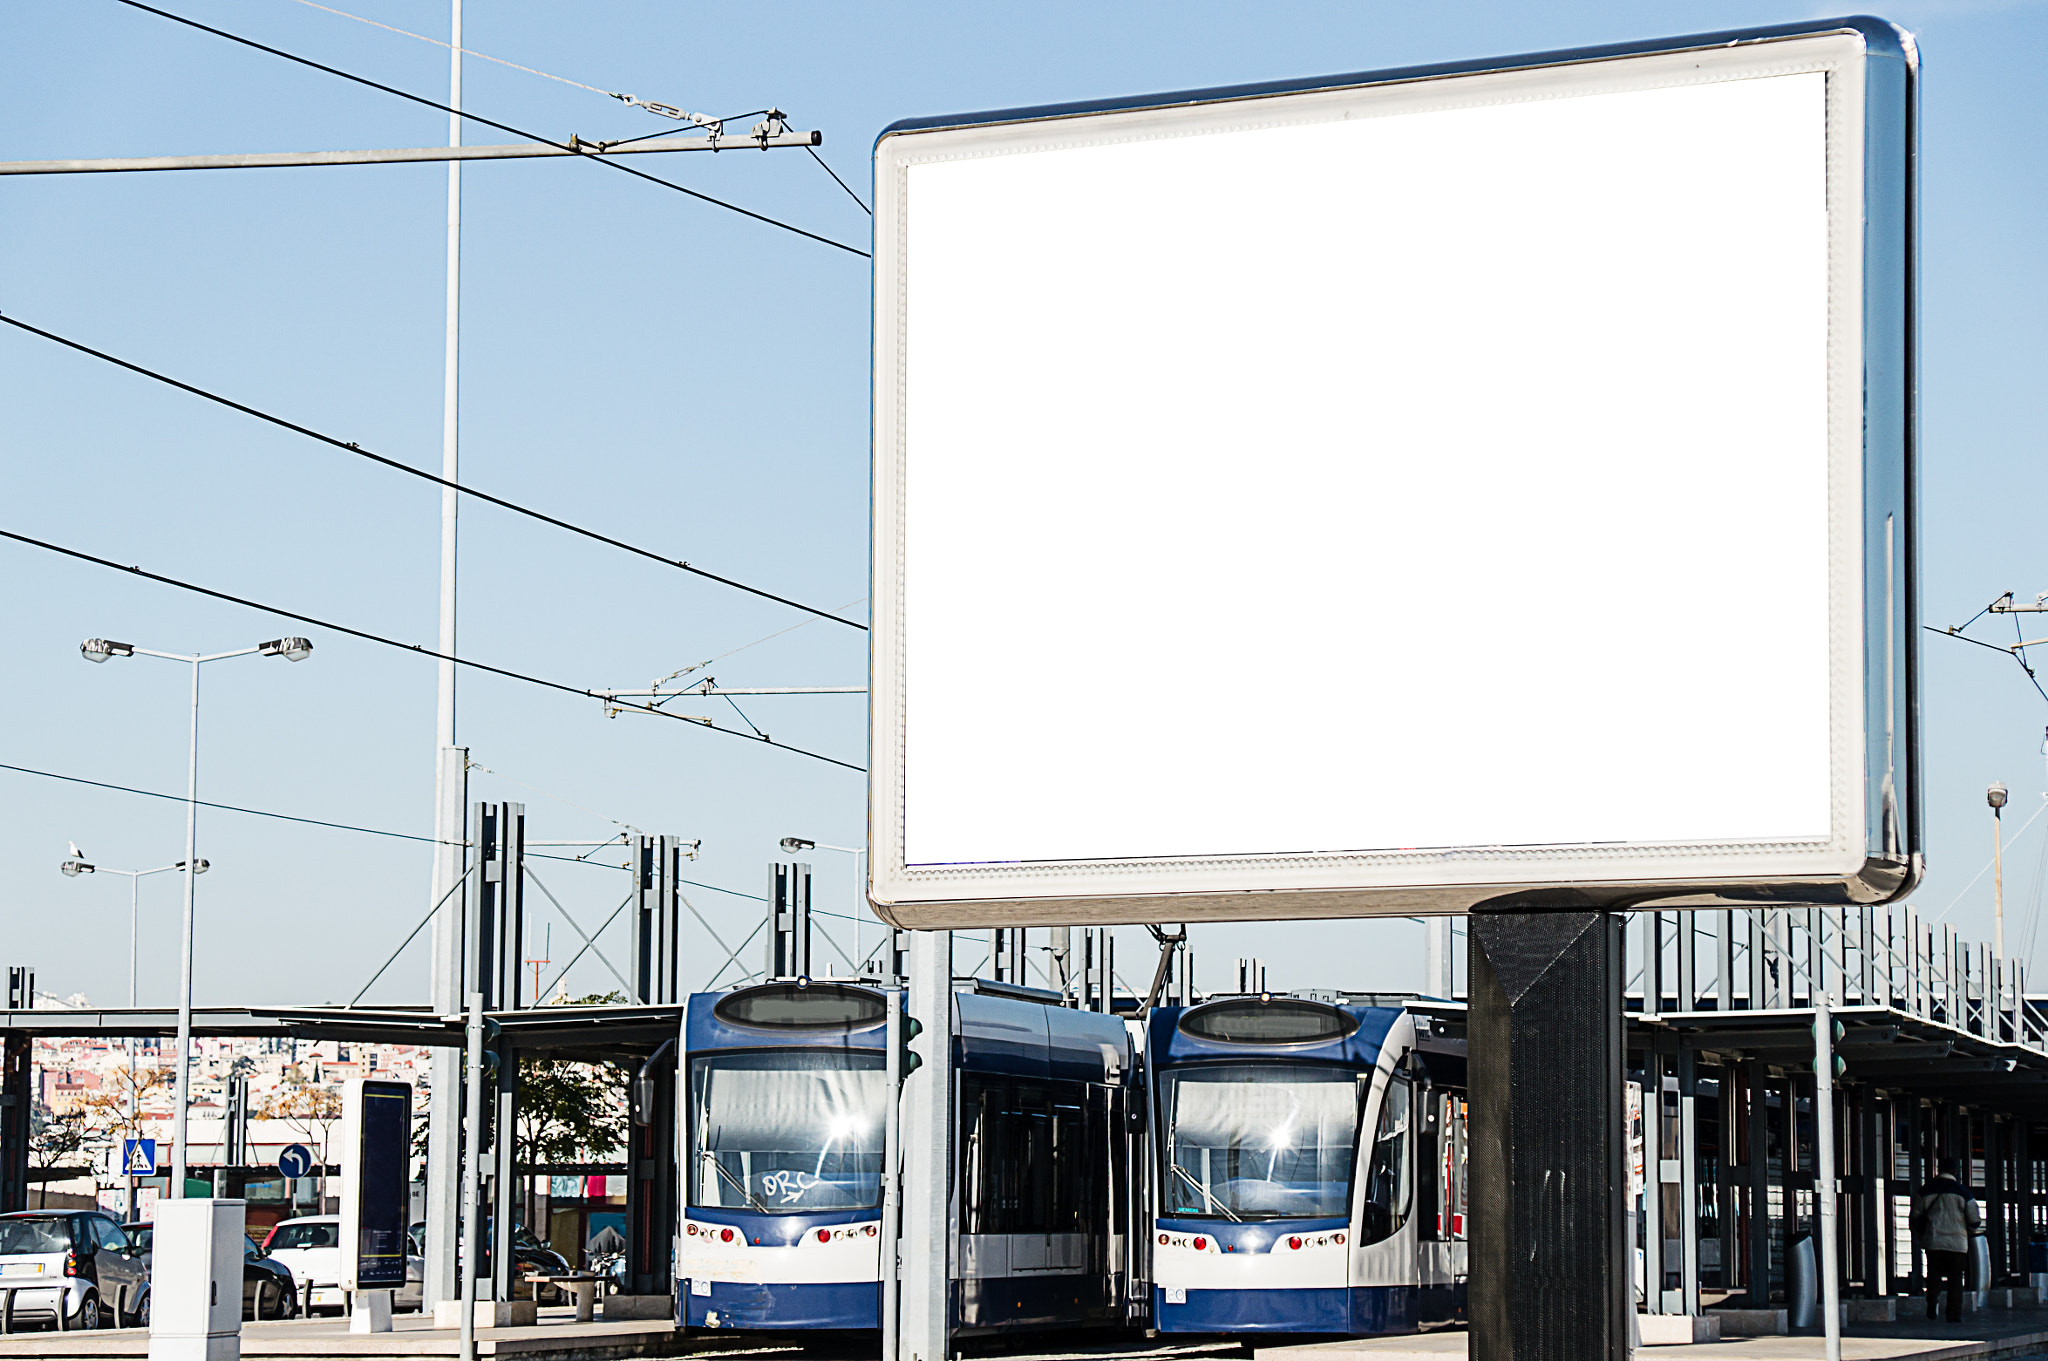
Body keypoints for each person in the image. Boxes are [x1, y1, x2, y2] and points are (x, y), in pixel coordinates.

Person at [1914, 1157, 1983, 1323]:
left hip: (1934, 1241)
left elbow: (1915, 1217)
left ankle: (1932, 1299)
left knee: (1934, 1274)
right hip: (1957, 1244)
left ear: (1939, 1170)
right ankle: (1953, 1315)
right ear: (1955, 1172)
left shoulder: (1925, 1190)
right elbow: (1974, 1220)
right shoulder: (1964, 1192)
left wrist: (1920, 1237)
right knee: (1955, 1279)